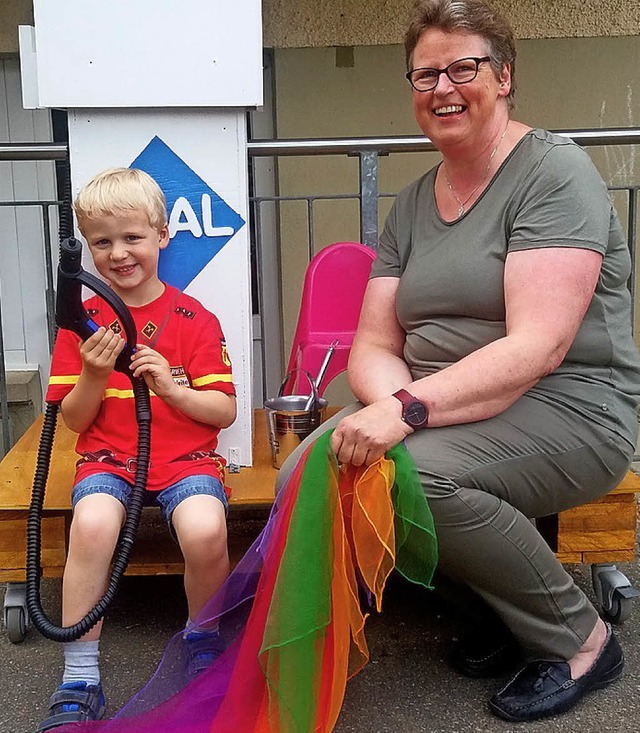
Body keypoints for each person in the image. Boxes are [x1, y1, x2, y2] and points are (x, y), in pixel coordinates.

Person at [277, 0, 640, 723]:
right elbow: (375, 344)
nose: (442, 87)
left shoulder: (553, 173)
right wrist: (388, 404)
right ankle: (505, 612)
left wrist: (405, 413)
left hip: (571, 405)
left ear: (504, 77)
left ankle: (580, 639)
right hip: (443, 404)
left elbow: (539, 346)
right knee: (304, 473)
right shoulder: (411, 204)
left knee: (418, 474)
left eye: (463, 68)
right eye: (425, 74)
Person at [38, 168, 237, 731]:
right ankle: (79, 675)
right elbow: (73, 421)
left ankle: (204, 637)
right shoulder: (81, 320)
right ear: (86, 249)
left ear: (162, 237)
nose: (119, 254)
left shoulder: (195, 318)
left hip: (185, 461)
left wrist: (173, 389)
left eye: (133, 238)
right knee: (94, 524)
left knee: (204, 529)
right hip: (109, 458)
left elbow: (222, 411)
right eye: (103, 242)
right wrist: (95, 375)